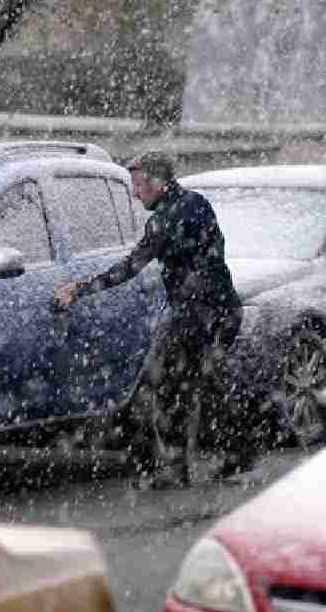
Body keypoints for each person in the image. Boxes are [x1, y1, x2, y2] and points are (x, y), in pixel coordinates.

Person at [55, 150, 255, 489]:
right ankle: (234, 453)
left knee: (164, 386)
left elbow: (132, 266)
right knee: (205, 386)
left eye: (138, 184)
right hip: (221, 310)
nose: (135, 193)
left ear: (157, 183)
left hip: (197, 314)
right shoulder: (195, 203)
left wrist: (80, 289)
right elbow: (209, 255)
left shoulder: (168, 217)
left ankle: (177, 466)